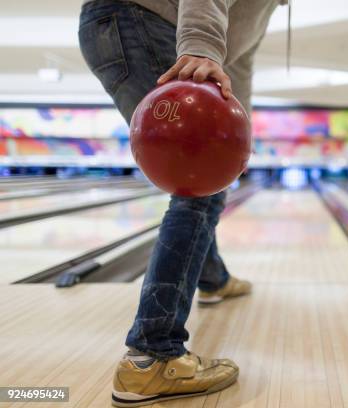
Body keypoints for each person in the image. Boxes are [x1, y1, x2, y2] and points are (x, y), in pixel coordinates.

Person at [78, 0, 286, 406]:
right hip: (147, 21)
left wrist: (234, 136)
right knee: (196, 185)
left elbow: (238, 59)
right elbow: (218, 43)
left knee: (204, 178)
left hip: (121, 25)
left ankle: (214, 279)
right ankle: (153, 355)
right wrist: (202, 46)